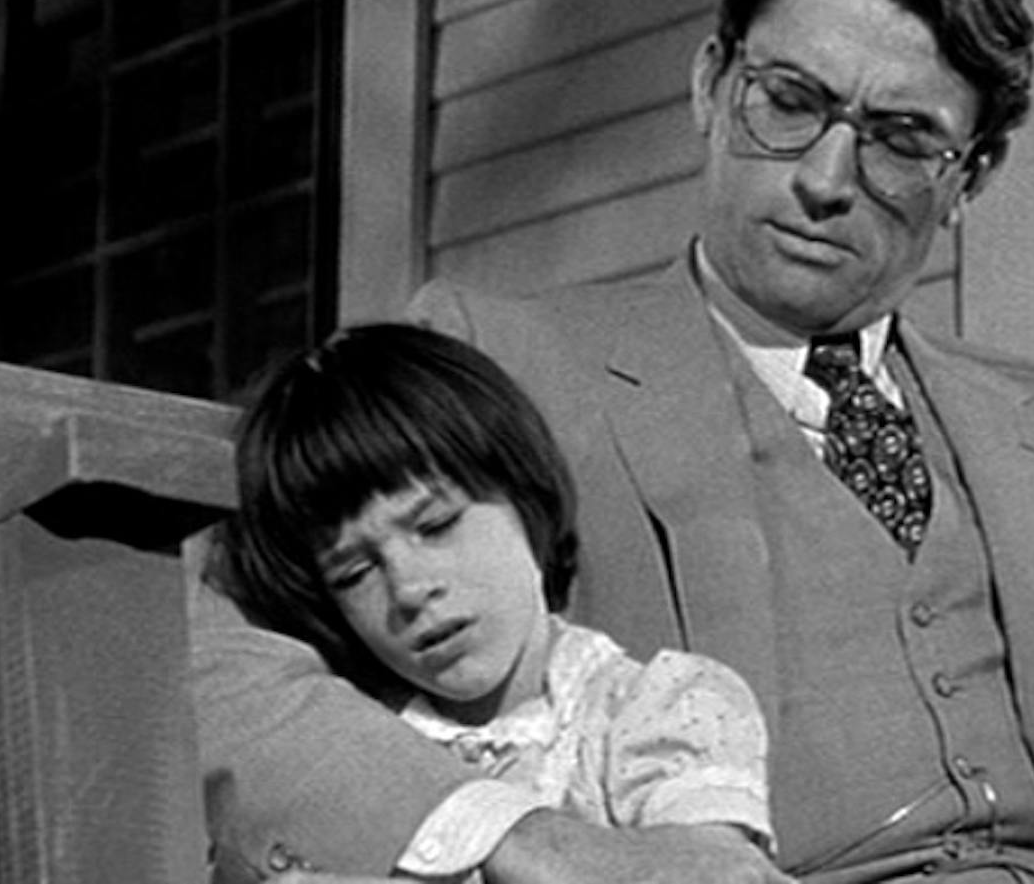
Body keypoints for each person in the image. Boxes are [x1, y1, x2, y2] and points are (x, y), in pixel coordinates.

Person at [193, 0, 1034, 883]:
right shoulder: (498, 358)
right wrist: (516, 835)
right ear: (709, 87)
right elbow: (215, 654)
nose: (828, 178)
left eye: (899, 137)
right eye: (790, 101)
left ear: (968, 177)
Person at [203, 323, 782, 883]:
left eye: (437, 525)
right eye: (356, 572)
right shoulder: (353, 747)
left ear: (523, 495)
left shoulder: (664, 706)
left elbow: (700, 872)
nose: (408, 589)